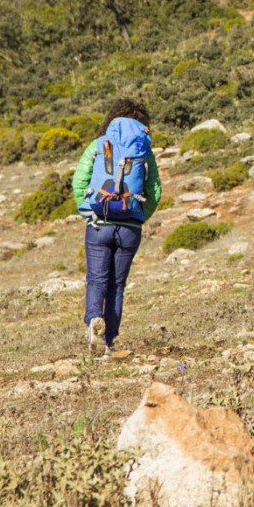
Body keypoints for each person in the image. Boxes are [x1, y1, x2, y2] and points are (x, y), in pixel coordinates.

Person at [72, 98, 161, 354]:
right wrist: (138, 216)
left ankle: (93, 321)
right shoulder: (144, 150)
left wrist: (88, 212)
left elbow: (79, 181)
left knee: (96, 280)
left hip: (99, 223)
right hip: (130, 227)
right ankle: (109, 342)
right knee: (117, 285)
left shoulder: (98, 145)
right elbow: (155, 190)